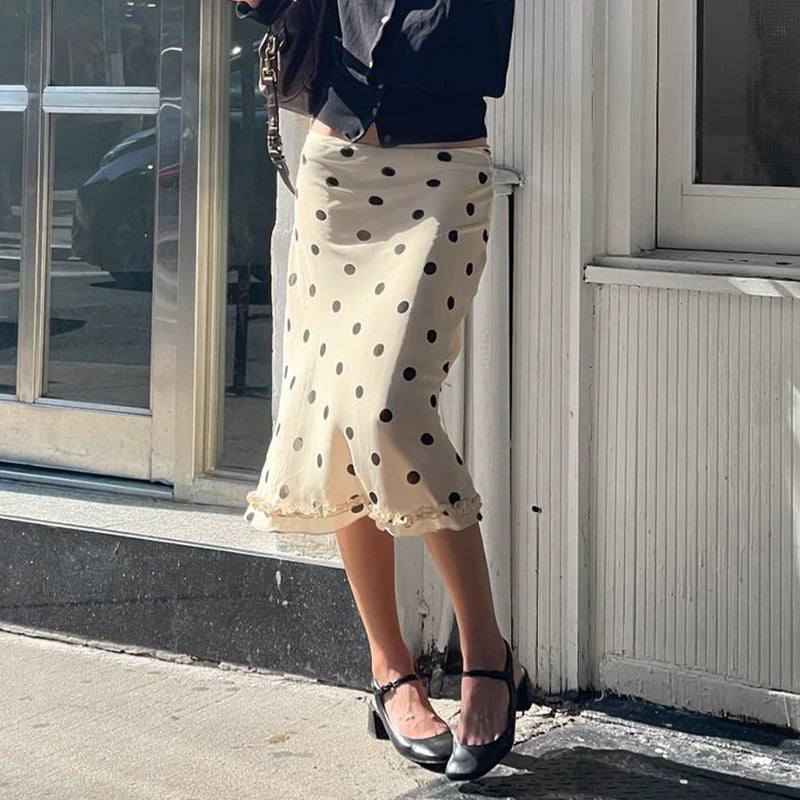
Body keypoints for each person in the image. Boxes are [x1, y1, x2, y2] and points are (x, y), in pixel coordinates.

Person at [231, 0, 529, 781]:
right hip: (337, 165)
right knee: (335, 415)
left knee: (389, 410)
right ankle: (390, 668)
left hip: (441, 166)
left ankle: (487, 654)